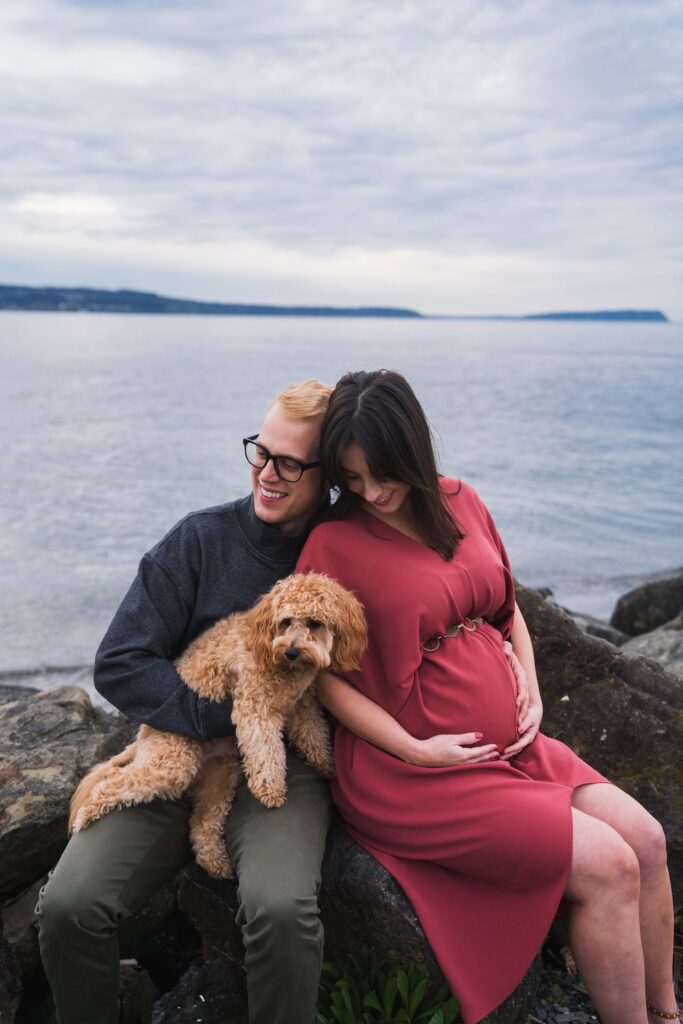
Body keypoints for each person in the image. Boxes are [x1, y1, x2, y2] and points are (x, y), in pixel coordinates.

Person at [296, 369, 678, 1024]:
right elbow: (320, 673)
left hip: (513, 748)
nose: (371, 492)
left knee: (644, 838)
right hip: (411, 774)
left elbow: (506, 607)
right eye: (352, 479)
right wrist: (415, 749)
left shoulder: (460, 501)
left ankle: (666, 1012)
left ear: (411, 449)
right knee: (610, 866)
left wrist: (526, 681)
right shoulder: (332, 543)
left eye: (381, 473)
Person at [38, 379, 334, 1024]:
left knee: (281, 912)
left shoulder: (347, 549)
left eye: (289, 462)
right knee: (69, 906)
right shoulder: (199, 540)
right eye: (260, 450)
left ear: (331, 472)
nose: (267, 473)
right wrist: (216, 719)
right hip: (180, 748)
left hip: (281, 772)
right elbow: (120, 661)